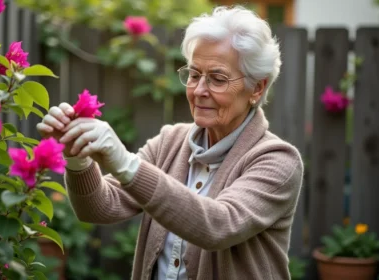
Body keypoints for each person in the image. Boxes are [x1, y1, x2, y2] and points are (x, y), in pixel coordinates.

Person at [37, 5, 303, 280]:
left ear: (257, 88)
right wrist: (77, 158)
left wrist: (126, 164)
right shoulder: (170, 142)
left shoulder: (278, 160)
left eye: (217, 78)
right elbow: (100, 207)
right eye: (194, 74)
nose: (199, 90)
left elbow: (218, 226)